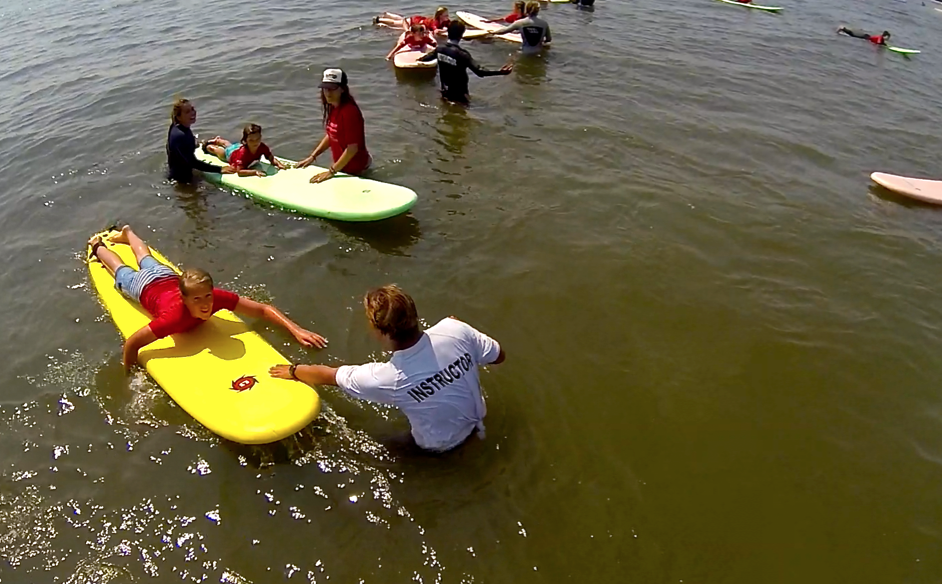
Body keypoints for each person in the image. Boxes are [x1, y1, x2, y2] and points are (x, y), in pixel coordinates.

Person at [270, 285, 506, 453]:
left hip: (440, 446)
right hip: (479, 421)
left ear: (378, 330)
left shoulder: (385, 378)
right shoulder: (455, 330)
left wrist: (292, 371)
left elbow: (329, 375)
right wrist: (457, 331)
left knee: (363, 448)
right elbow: (498, 356)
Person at [88, 226, 328, 372]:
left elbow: (264, 309)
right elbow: (132, 344)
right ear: (183, 299)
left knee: (146, 259)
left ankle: (128, 234)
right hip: (144, 287)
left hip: (167, 276)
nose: (205, 305)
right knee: (119, 269)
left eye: (207, 297)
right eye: (197, 300)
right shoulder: (172, 318)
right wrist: (130, 373)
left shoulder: (215, 298)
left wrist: (296, 330)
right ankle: (98, 246)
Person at [296, 69, 372, 184]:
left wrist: (331, 171)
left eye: (332, 88)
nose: (328, 93)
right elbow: (331, 135)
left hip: (358, 171)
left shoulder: (349, 112)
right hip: (342, 168)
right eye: (325, 88)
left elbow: (352, 148)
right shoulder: (334, 107)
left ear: (342, 89)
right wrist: (312, 157)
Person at [418, 21, 514, 105]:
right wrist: (500, 72)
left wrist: (417, 59)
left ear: (448, 32)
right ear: (461, 35)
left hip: (445, 92)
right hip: (460, 95)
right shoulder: (462, 55)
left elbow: (426, 58)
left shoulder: (439, 50)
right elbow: (480, 72)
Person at [166, 98, 236, 183]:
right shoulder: (180, 135)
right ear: (178, 116)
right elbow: (192, 162)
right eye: (187, 112)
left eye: (192, 109)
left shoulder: (176, 127)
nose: (193, 113)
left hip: (181, 172)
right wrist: (220, 169)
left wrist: (204, 143)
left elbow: (180, 150)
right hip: (181, 179)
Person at [203, 123, 288, 177]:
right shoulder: (243, 154)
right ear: (245, 141)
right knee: (221, 152)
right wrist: (254, 172)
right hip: (230, 154)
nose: (255, 143)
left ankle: (218, 140)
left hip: (237, 147)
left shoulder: (262, 146)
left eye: (257, 139)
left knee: (229, 145)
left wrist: (277, 164)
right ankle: (208, 145)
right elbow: (239, 172)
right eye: (251, 140)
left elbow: (270, 157)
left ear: (261, 137)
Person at [487, 1, 551, 55]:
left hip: (525, 52)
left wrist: (493, 32)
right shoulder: (544, 23)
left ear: (526, 10)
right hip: (539, 53)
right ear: (538, 10)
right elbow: (548, 39)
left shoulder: (520, 23)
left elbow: (504, 31)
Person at [374, 7, 450, 34]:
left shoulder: (445, 21)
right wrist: (445, 31)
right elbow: (436, 31)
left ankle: (388, 14)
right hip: (414, 21)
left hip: (419, 20)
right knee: (396, 23)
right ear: (440, 16)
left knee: (402, 19)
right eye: (446, 15)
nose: (448, 16)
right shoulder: (435, 22)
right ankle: (379, 19)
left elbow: (451, 24)